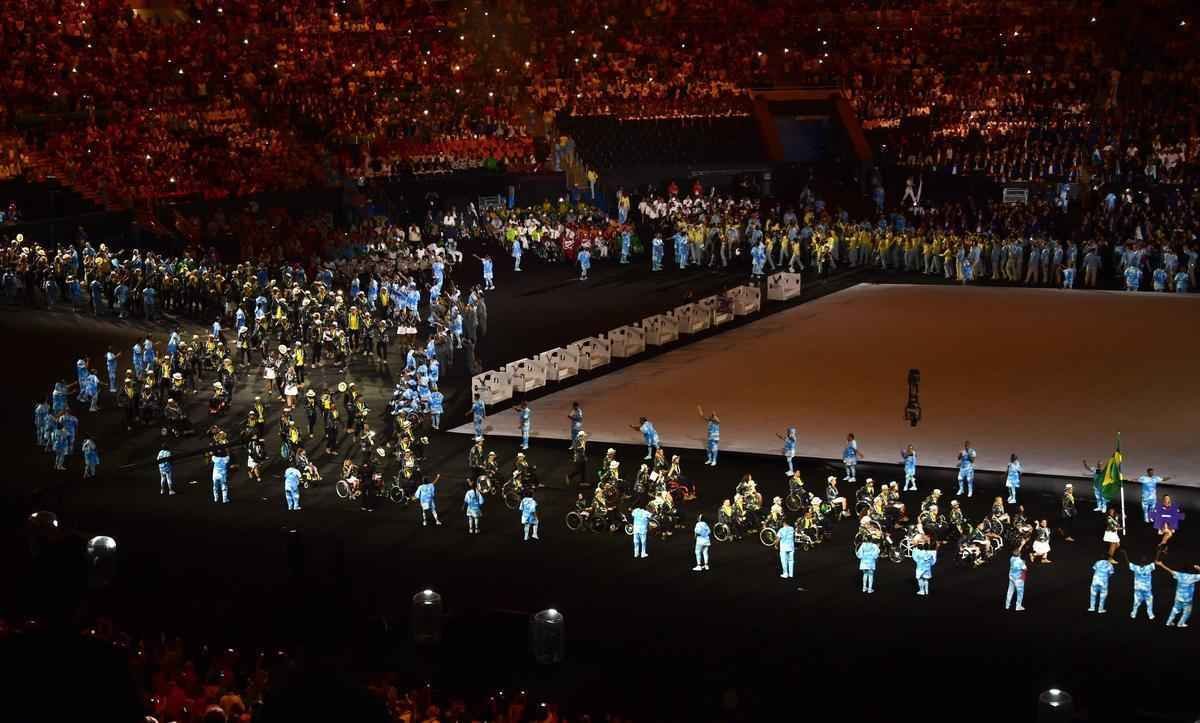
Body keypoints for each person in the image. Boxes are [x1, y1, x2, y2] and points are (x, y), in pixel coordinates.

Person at [1157, 557, 1199, 627]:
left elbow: (1169, 570)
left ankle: (1168, 622)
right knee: (1187, 612)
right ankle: (1180, 623)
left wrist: (1161, 564)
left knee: (1175, 609)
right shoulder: (1193, 577)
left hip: (1178, 597)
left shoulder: (1179, 574)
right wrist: (1198, 568)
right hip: (1188, 599)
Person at [1130, 555, 1156, 620]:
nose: (1143, 562)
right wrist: (1158, 552)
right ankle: (1148, 615)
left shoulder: (1141, 567)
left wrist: (1124, 554)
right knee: (1142, 602)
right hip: (1142, 589)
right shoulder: (1144, 567)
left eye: (1143, 561)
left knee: (1142, 602)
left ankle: (1135, 614)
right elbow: (1155, 561)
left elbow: (1155, 562)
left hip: (1143, 589)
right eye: (1143, 560)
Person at [1005, 539, 1029, 611]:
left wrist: (1022, 544)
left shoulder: (1011, 558)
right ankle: (1018, 606)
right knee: (1020, 593)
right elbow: (1025, 569)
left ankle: (1007, 605)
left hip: (1011, 576)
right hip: (1019, 579)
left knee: (1010, 591)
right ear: (1019, 554)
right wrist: (1024, 563)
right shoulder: (1020, 562)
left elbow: (1018, 551)